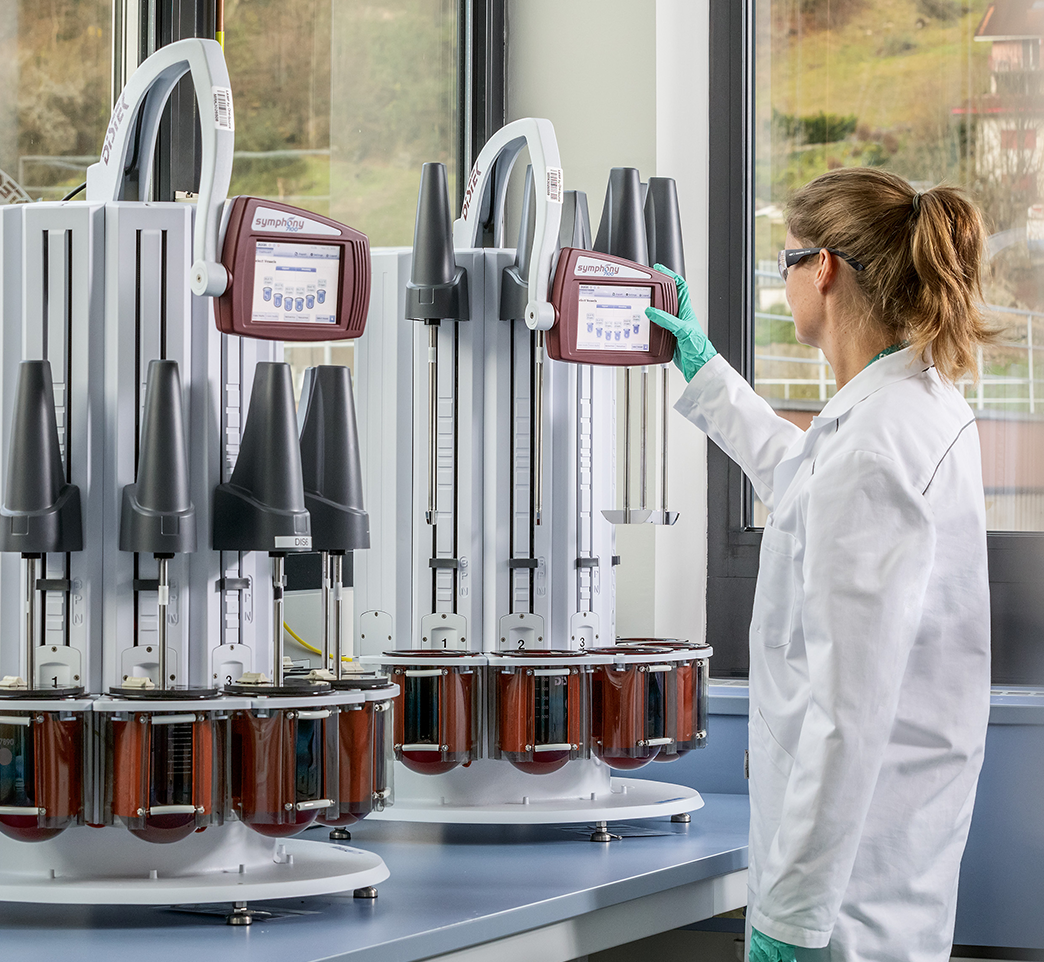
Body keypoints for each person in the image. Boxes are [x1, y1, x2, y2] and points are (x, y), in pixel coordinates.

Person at [646, 167, 993, 962]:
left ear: (824, 269)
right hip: (884, 863)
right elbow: (808, 484)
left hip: (845, 903)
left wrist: (791, 921)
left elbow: (848, 711)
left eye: (787, 262)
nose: (786, 281)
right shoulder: (907, 408)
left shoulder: (875, 444)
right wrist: (705, 372)